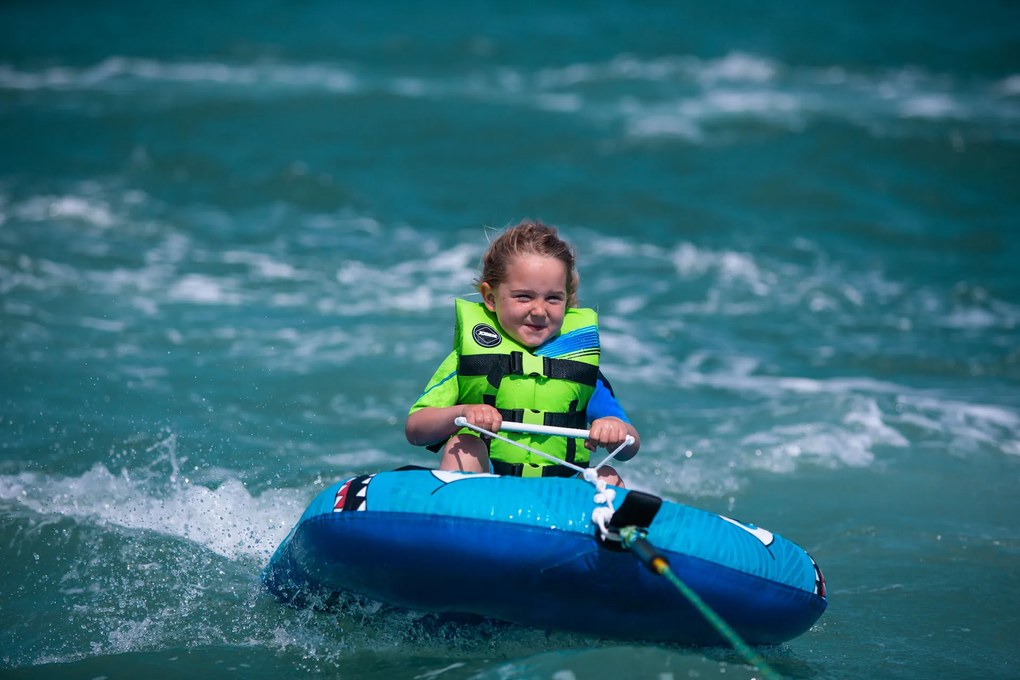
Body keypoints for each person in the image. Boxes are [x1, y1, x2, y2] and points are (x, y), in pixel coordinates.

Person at [405, 219, 640, 486]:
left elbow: (631, 447)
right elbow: (416, 429)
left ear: (567, 298)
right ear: (491, 298)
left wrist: (615, 428)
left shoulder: (580, 369)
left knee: (607, 476)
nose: (539, 311)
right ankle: (460, 517)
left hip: (559, 495)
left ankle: (612, 527)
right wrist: (463, 412)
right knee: (464, 444)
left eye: (553, 298)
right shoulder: (467, 362)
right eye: (524, 297)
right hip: (488, 489)